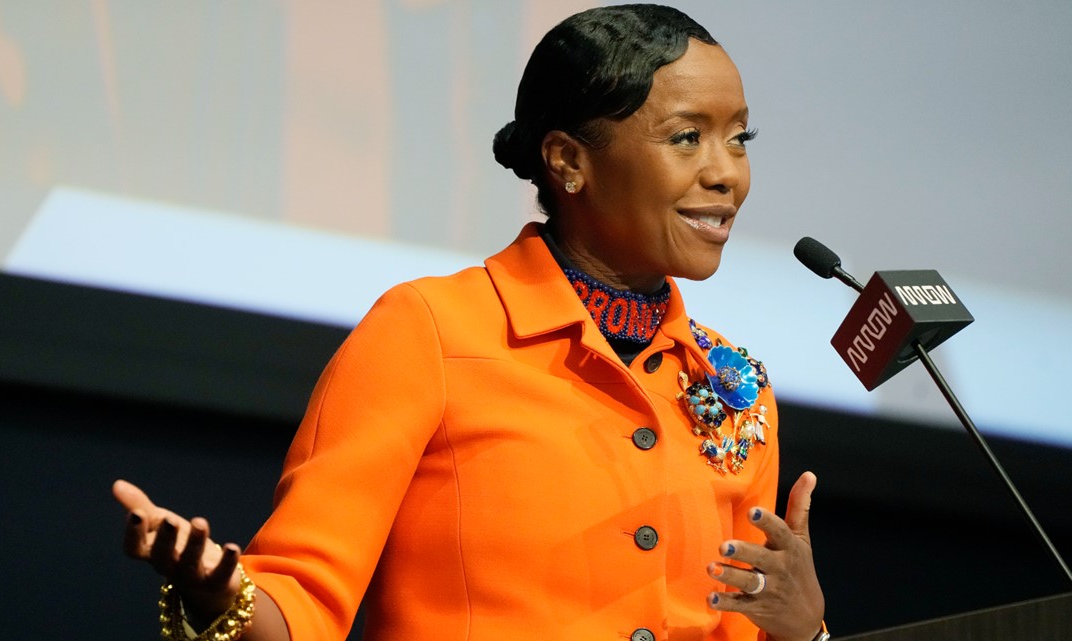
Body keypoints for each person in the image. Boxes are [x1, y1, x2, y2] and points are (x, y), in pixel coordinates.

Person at [113, 4, 826, 640]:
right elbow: (300, 599)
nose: (727, 172)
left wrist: (805, 633)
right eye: (686, 138)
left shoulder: (734, 387)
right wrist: (221, 594)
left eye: (739, 138)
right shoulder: (429, 329)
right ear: (569, 162)